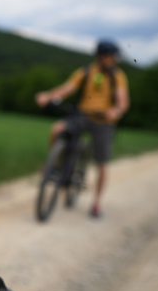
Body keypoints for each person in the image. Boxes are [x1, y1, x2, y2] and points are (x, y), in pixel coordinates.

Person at [35, 40, 130, 218]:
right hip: (82, 115)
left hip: (103, 121)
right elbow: (66, 88)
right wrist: (48, 95)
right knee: (57, 128)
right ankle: (55, 166)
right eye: (110, 57)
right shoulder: (86, 72)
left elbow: (122, 100)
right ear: (101, 57)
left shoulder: (118, 76)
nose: (113, 60)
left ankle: (96, 203)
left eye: (113, 57)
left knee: (102, 163)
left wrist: (115, 110)